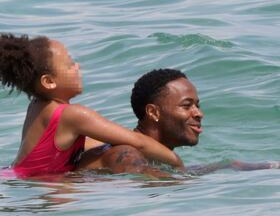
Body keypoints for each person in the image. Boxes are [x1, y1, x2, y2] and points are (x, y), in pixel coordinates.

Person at [0, 34, 183, 178]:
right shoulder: (73, 115)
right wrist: (176, 162)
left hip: (14, 175)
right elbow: (137, 141)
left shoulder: (38, 106)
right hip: (42, 185)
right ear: (49, 82)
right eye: (69, 64)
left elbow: (75, 144)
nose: (77, 67)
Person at [78, 69, 279, 176]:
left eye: (197, 105)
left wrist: (262, 166)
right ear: (153, 112)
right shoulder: (126, 153)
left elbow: (177, 173)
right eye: (187, 105)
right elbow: (144, 176)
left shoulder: (152, 155)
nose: (199, 113)